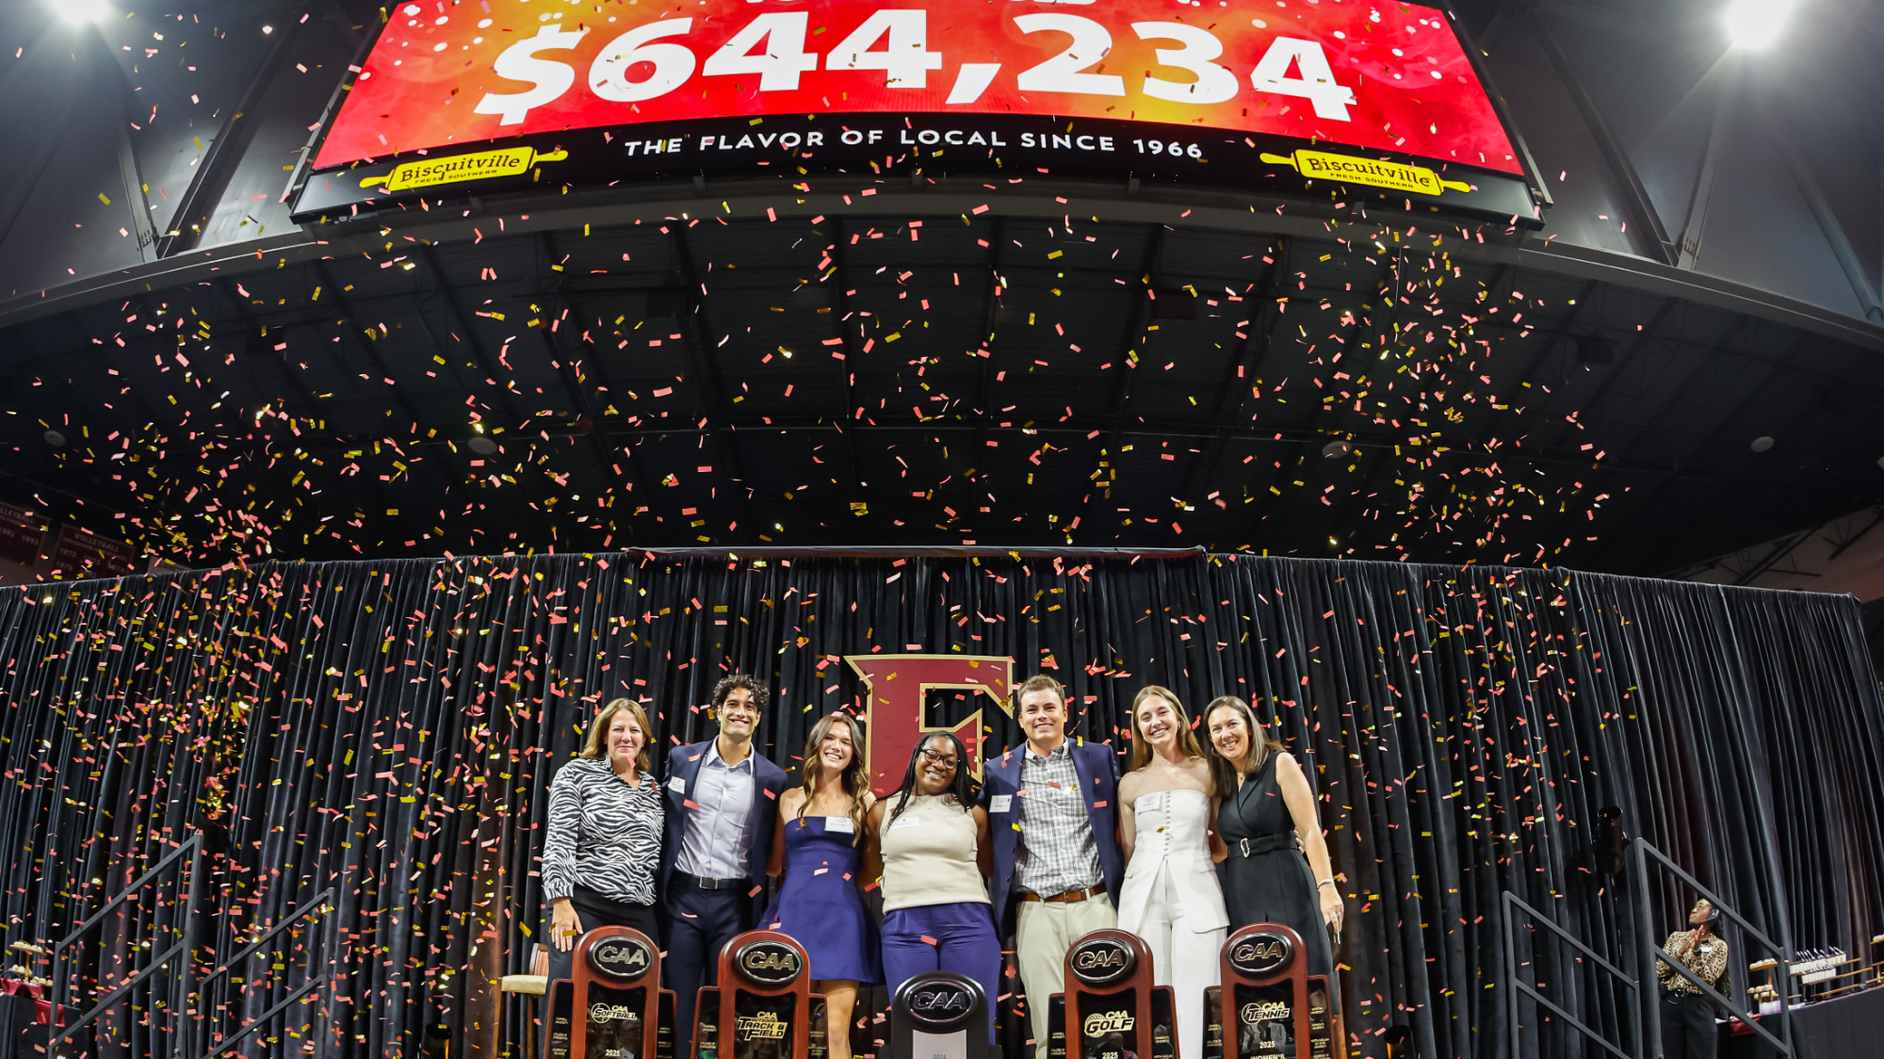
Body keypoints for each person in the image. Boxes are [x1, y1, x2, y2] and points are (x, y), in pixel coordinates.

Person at [983, 675, 1125, 1059]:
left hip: (1096, 904)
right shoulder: (998, 771)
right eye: (1031, 710)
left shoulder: (1098, 757)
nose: (1041, 716)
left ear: (1065, 712)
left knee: (1109, 1022)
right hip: (1036, 911)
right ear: (1020, 719)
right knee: (1051, 1029)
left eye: (1049, 707)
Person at [661, 674, 789, 1055]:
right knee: (680, 1004)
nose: (741, 712)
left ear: (759, 717)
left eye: (750, 706)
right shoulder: (682, 759)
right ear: (717, 711)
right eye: (733, 704)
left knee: (729, 1005)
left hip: (734, 904)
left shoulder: (773, 778)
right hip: (681, 896)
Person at [862, 732, 1001, 1043]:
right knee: (913, 1033)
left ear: (959, 769)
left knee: (975, 1029)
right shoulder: (882, 811)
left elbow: (991, 868)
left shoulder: (973, 812)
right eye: (932, 755)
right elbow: (868, 870)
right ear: (916, 755)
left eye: (950, 761)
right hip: (905, 928)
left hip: (968, 925)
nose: (939, 765)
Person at [1115, 686, 1227, 1059]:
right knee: (1150, 997)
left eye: (1161, 712)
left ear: (1178, 717)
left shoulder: (1208, 770)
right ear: (1138, 728)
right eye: (1145, 717)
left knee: (1197, 996)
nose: (1155, 722)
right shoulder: (1130, 783)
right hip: (1142, 900)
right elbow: (1129, 849)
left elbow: (1222, 841)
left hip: (1198, 896)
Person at [761, 712, 880, 1059]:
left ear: (854, 753)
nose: (837, 747)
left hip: (842, 923)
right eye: (830, 738)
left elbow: (871, 869)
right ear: (816, 743)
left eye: (846, 742)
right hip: (792, 918)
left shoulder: (865, 802)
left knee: (835, 1031)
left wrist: (834, 887)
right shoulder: (789, 798)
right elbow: (774, 865)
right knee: (787, 1028)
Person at [1203, 696, 1340, 980]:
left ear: (1249, 727)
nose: (1225, 734)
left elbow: (1310, 830)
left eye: (1232, 724)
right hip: (1240, 891)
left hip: (1287, 883)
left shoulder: (1280, 763)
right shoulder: (1220, 783)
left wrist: (1326, 887)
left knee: (1305, 977)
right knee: (1256, 987)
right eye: (1216, 729)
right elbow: (1219, 850)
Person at [541, 698, 664, 985]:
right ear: (604, 735)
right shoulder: (576, 773)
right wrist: (560, 901)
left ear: (644, 739)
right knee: (568, 992)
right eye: (618, 729)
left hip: (638, 910)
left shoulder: (654, 788)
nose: (626, 737)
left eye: (634, 730)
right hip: (581, 905)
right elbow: (559, 840)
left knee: (634, 1003)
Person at [1656, 898, 1728, 1059]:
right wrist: (1680, 952)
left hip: (1699, 1004)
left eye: (1700, 907)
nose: (1694, 910)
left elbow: (1707, 977)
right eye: (1694, 907)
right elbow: (1660, 970)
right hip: (1672, 1003)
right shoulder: (1676, 937)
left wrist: (1696, 953)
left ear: (1712, 915)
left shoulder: (1718, 945)